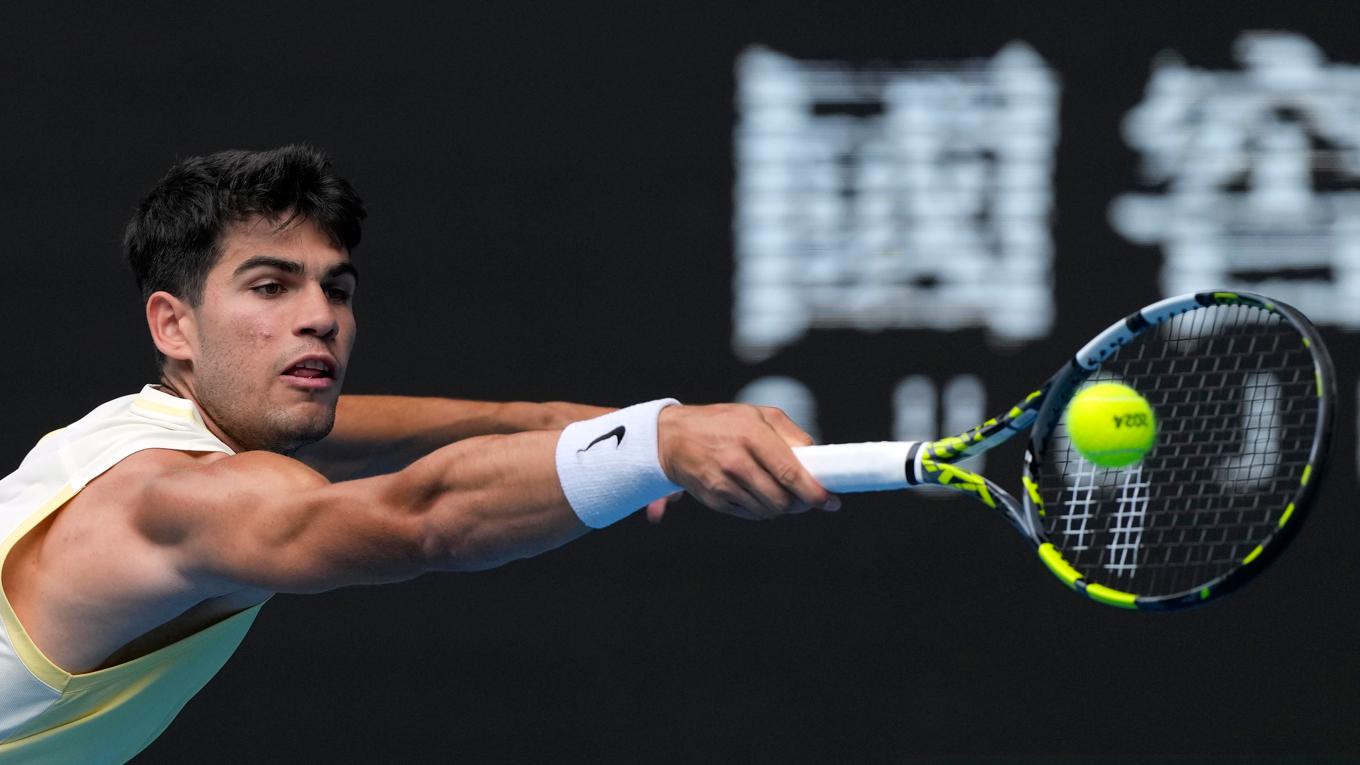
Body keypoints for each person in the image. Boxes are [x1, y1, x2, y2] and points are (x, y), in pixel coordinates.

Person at [0, 145, 838, 763]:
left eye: (336, 287)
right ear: (172, 324)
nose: (319, 315)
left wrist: (572, 420)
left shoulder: (172, 424)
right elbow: (422, 517)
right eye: (269, 286)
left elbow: (414, 430)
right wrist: (653, 442)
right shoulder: (174, 498)